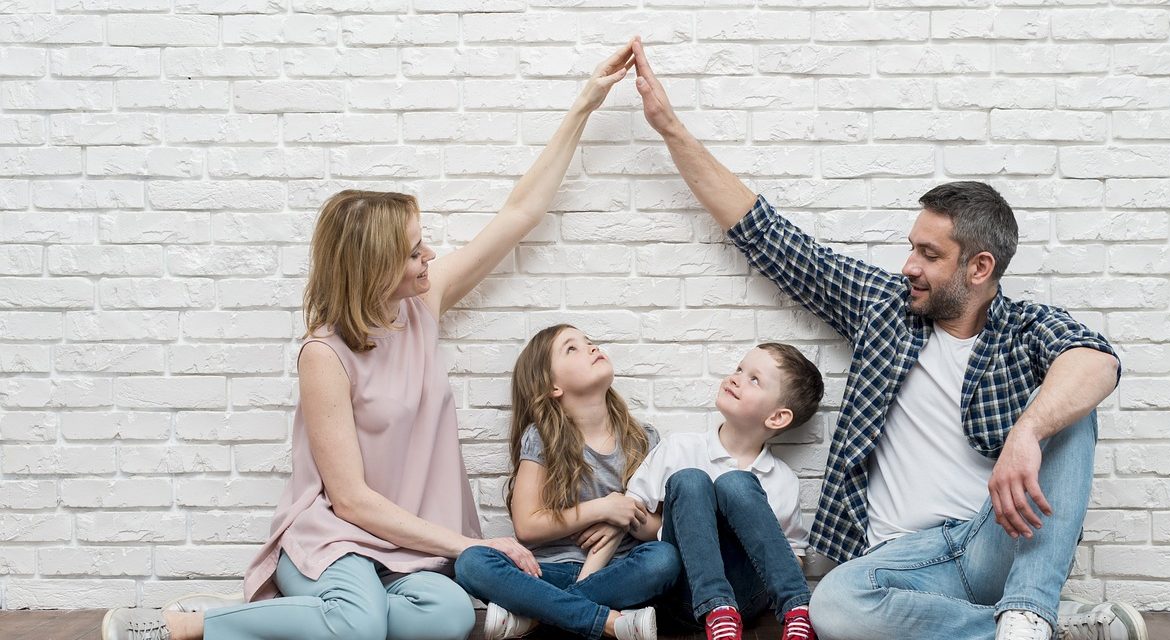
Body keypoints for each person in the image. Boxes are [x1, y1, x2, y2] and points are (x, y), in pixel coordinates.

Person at [99, 41, 640, 640]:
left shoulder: (423, 303)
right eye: (413, 250)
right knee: (358, 624)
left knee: (449, 616)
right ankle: (185, 625)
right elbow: (351, 501)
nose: (429, 255)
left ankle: (324, 618)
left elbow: (519, 213)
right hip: (339, 539)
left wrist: (585, 105)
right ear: (375, 268)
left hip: (412, 547)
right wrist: (472, 542)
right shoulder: (324, 355)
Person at [626, 38, 1148, 640]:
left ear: (979, 268)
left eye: (929, 254)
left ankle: (1031, 608)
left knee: (1072, 407)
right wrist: (669, 129)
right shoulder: (885, 308)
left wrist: (1029, 431)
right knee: (834, 607)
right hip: (903, 562)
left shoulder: (1025, 330)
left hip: (992, 540)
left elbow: (1098, 362)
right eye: (911, 247)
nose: (909, 266)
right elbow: (770, 238)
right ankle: (1040, 630)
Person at [453, 324, 681, 640]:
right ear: (552, 386)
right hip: (546, 573)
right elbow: (527, 527)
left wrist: (624, 517)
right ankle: (608, 622)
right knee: (471, 563)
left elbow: (657, 530)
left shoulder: (644, 439)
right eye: (571, 348)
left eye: (589, 341)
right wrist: (604, 507)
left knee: (664, 560)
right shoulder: (542, 438)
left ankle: (537, 618)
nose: (590, 347)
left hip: (618, 571)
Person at [624, 343, 823, 640]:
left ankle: (797, 609)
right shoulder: (681, 447)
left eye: (754, 379)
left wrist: (751, 536)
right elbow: (633, 513)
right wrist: (683, 523)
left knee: (736, 483)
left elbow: (793, 555)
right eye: (739, 369)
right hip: (682, 595)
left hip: (746, 597)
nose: (735, 377)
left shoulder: (782, 479)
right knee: (691, 480)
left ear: (777, 418)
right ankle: (717, 609)